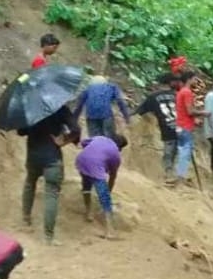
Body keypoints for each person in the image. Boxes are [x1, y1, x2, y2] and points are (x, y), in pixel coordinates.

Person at [19, 101, 77, 243]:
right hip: (52, 158)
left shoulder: (31, 107)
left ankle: (26, 219)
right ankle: (48, 237)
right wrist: (63, 141)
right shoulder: (61, 109)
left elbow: (21, 131)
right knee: (51, 194)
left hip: (33, 156)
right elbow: (76, 129)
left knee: (29, 183)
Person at [76, 133, 122, 237]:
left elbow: (83, 143)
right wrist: (108, 192)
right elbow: (113, 176)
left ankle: (88, 212)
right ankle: (110, 231)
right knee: (104, 196)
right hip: (96, 167)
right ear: (120, 147)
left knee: (86, 185)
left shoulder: (100, 138)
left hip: (81, 161)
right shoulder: (116, 154)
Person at [135, 77, 179, 179]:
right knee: (176, 151)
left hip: (167, 127)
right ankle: (175, 173)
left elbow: (140, 111)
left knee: (168, 151)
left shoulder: (154, 97)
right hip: (181, 127)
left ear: (159, 84)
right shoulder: (176, 95)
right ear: (170, 83)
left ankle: (168, 173)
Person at [77, 73, 130, 140]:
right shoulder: (111, 87)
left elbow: (79, 106)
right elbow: (120, 101)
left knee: (95, 140)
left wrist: (74, 119)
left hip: (91, 116)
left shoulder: (87, 90)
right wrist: (126, 117)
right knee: (109, 139)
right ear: (105, 82)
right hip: (106, 115)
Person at [169, 75, 198, 184]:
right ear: (189, 79)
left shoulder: (180, 92)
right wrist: (203, 113)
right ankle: (180, 176)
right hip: (185, 126)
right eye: (195, 79)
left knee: (182, 150)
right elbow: (190, 111)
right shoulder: (187, 92)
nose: (196, 81)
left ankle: (180, 174)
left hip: (180, 125)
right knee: (185, 151)